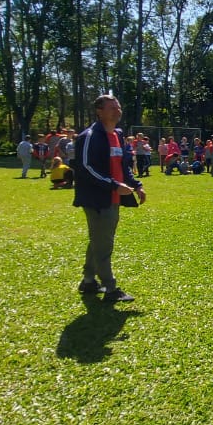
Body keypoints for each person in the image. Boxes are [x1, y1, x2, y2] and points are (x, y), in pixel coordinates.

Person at [73, 94, 146, 302]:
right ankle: (110, 288)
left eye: (118, 106)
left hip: (113, 198)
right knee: (104, 244)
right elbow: (86, 168)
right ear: (99, 111)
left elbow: (123, 166)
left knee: (99, 240)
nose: (117, 110)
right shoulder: (89, 136)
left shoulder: (118, 134)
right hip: (96, 198)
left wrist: (136, 185)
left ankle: (88, 281)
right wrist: (113, 185)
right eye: (112, 107)